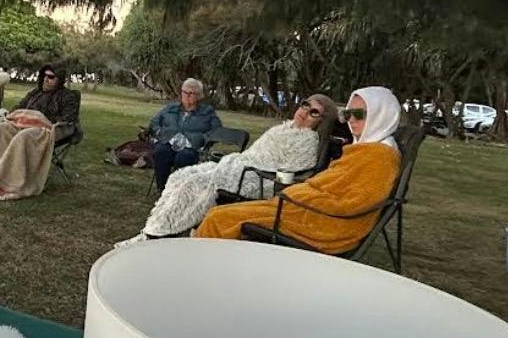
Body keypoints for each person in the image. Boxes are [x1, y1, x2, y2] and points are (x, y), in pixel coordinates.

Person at [194, 86, 402, 251]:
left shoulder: (380, 157)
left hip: (325, 224)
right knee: (220, 214)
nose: (352, 120)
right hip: (304, 208)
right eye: (348, 114)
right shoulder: (366, 147)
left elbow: (354, 203)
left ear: (381, 115)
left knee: (219, 218)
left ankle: (204, 266)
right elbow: (334, 185)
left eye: (360, 114)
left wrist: (301, 195)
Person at [118, 94, 338, 243]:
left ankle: (159, 234)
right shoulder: (284, 128)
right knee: (181, 176)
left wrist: (249, 166)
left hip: (257, 178)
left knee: (195, 183)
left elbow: (291, 172)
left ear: (321, 121)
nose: (305, 112)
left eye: (314, 112)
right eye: (305, 105)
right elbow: (256, 151)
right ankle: (155, 226)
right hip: (243, 164)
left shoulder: (308, 141)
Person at [146, 78, 222, 193]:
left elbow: (217, 130)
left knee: (184, 157)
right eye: (184, 92)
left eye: (191, 93)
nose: (187, 95)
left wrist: (202, 139)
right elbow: (154, 123)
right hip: (168, 141)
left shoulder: (207, 112)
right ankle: (162, 189)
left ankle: (178, 191)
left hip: (191, 146)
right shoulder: (170, 108)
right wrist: (160, 133)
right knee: (161, 152)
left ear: (199, 95)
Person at [17, 65, 81, 141]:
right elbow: (20, 106)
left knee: (24, 135)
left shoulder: (68, 96)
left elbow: (69, 118)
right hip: (22, 123)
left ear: (59, 80)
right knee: (2, 127)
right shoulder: (36, 92)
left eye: (51, 77)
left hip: (44, 128)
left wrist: (39, 119)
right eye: (44, 75)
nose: (45, 79)